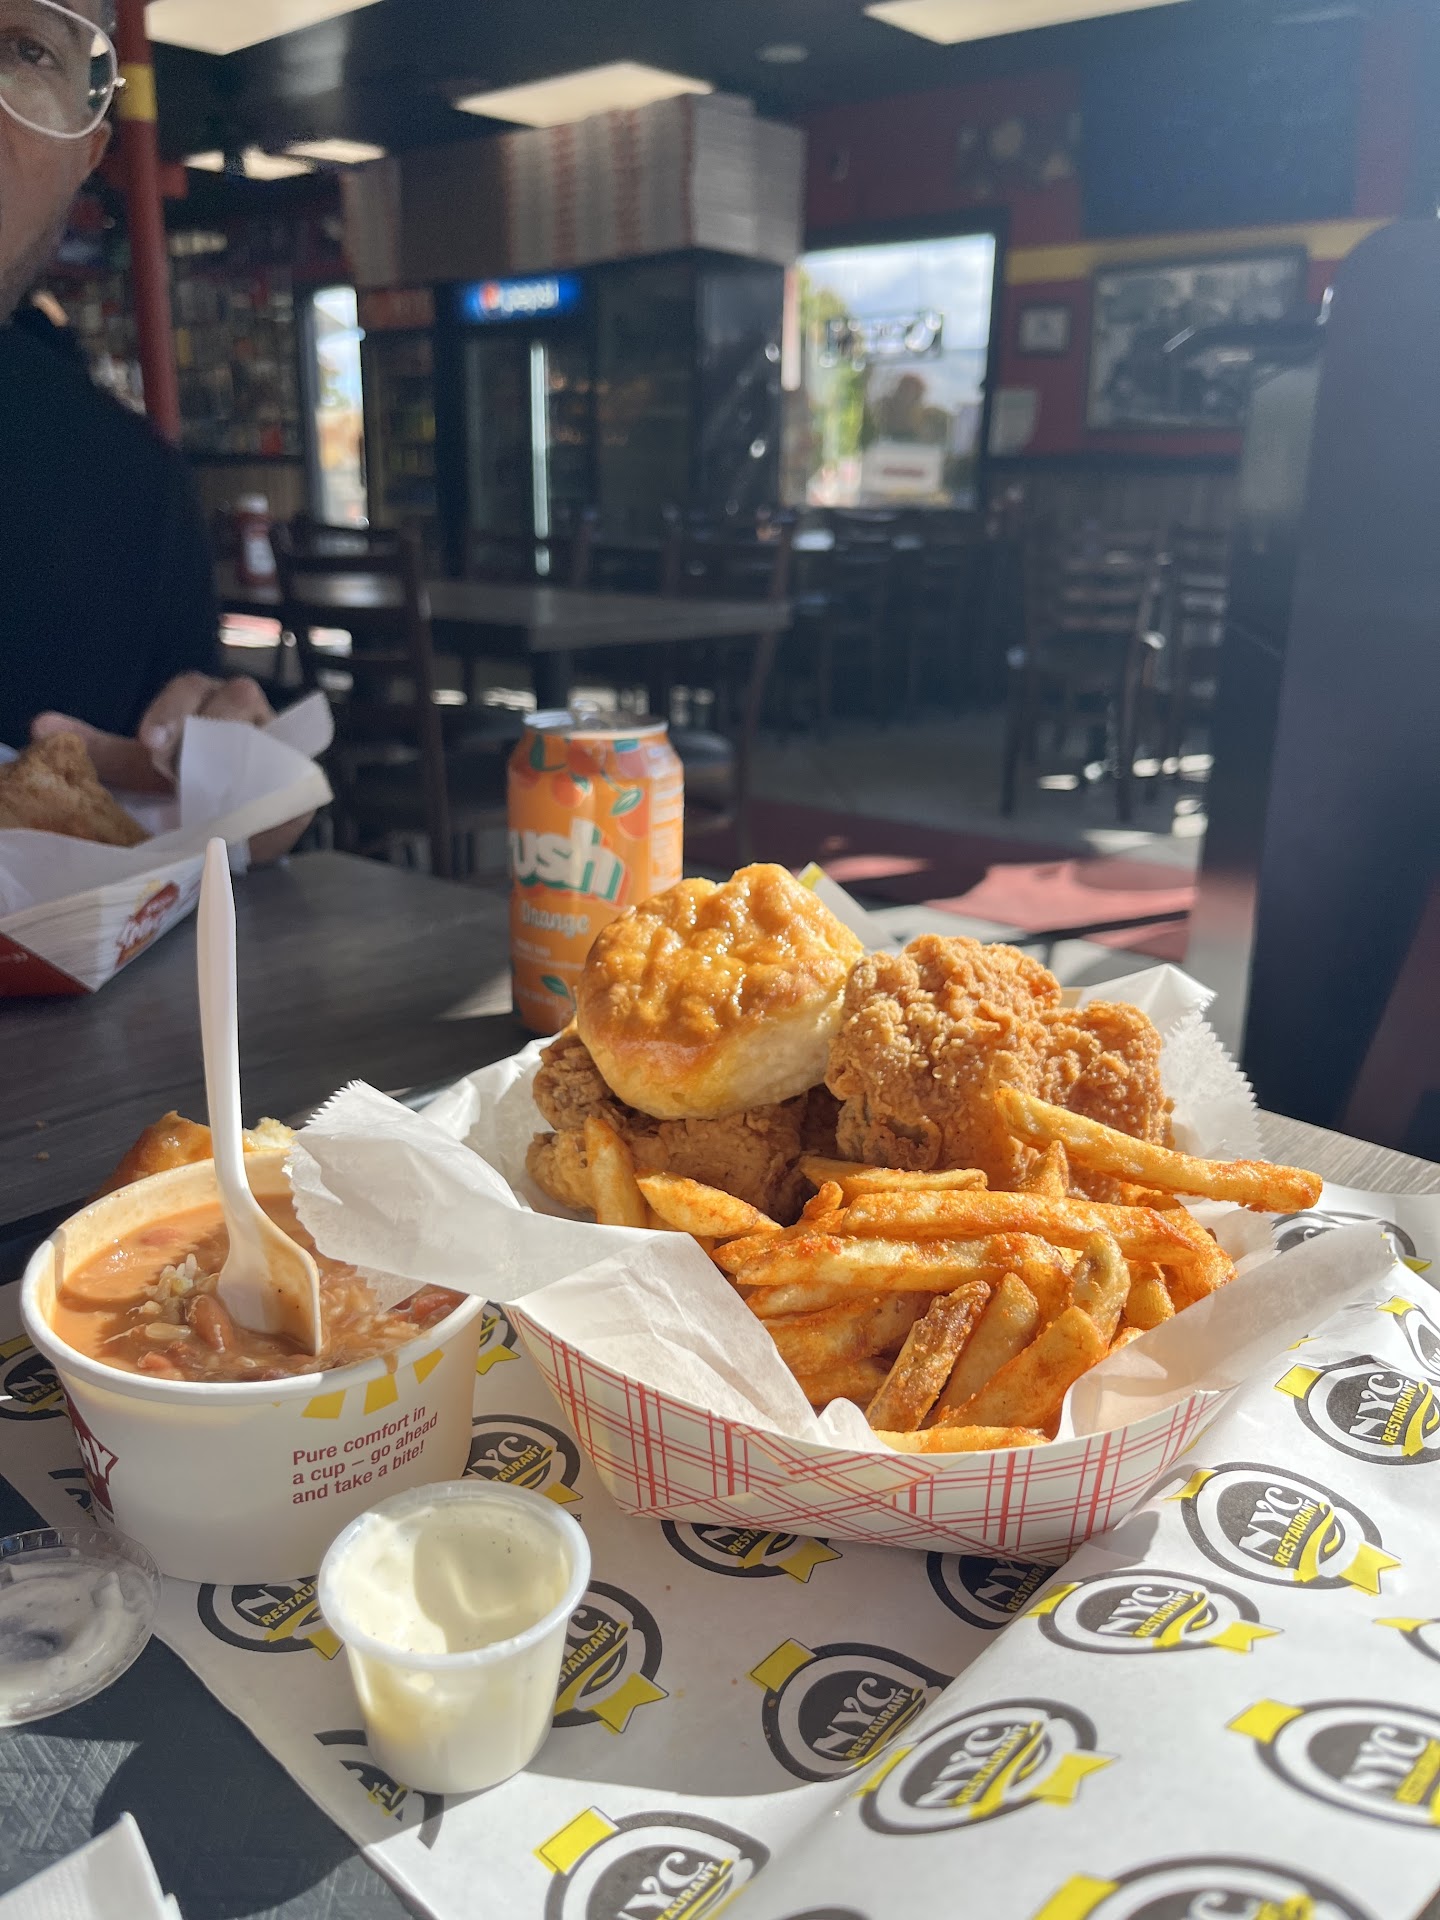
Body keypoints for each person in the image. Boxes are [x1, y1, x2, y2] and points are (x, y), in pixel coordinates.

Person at [0, 0, 303, 852]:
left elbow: (171, 795)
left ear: (84, 154)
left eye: (26, 50)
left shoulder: (131, 490)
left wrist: (230, 786)